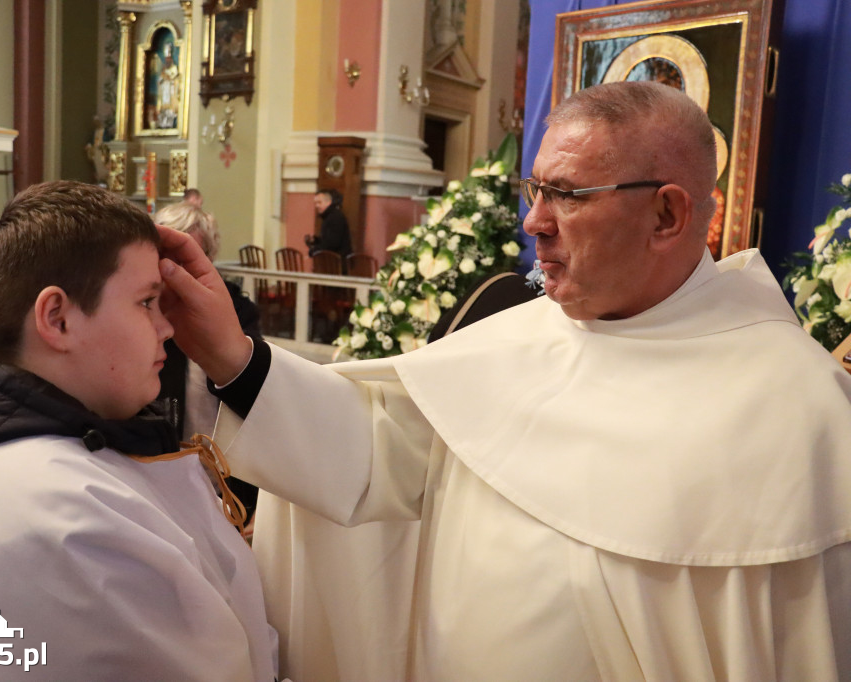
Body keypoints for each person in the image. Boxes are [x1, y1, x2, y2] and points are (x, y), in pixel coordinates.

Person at [157, 81, 851, 680]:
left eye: (566, 196)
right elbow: (372, 451)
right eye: (534, 189)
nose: (533, 222)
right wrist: (233, 355)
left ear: (667, 214)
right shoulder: (517, 340)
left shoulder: (797, 410)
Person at [0, 182, 281, 681]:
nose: (168, 327)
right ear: (58, 318)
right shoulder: (56, 517)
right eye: (147, 302)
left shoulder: (59, 461)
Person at [154, 201, 261, 531]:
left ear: (209, 259)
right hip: (164, 478)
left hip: (226, 477)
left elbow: (253, 395)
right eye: (168, 257)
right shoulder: (147, 310)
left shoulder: (237, 311)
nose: (177, 270)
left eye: (187, 258)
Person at [304, 188, 352, 261]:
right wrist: (316, 240)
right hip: (333, 261)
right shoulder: (330, 216)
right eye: (315, 203)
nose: (316, 206)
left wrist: (313, 251)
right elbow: (329, 239)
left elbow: (332, 243)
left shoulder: (335, 217)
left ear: (329, 202)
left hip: (337, 262)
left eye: (319, 202)